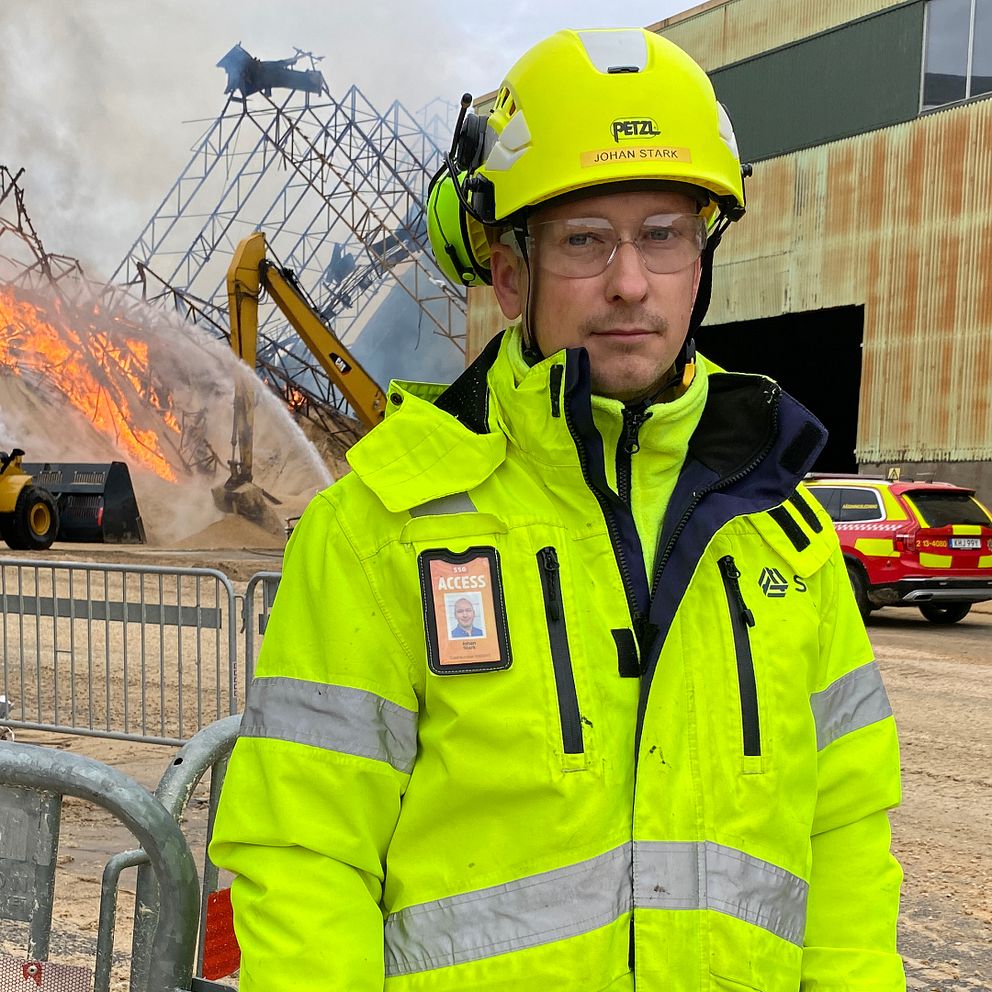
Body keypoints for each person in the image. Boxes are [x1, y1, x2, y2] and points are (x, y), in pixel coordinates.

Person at [211, 27, 904, 991]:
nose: (631, 282)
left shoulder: (788, 541)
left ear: (700, 259)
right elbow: (304, 863)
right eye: (585, 239)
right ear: (508, 273)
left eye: (663, 233)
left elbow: (847, 852)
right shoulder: (378, 533)